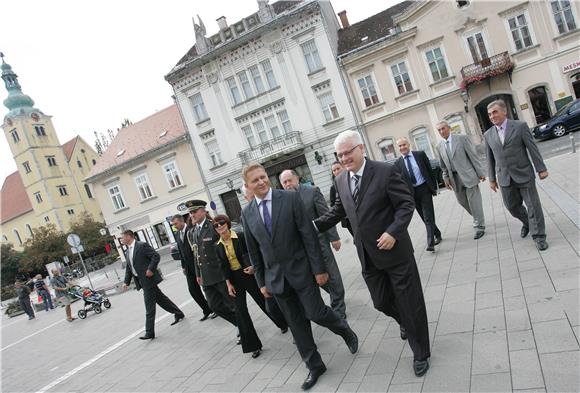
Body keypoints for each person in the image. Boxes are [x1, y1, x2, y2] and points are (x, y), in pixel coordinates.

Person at [314, 130, 431, 377]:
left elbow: (406, 204)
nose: (344, 158)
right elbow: (338, 210)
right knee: (380, 302)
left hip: (396, 252)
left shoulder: (385, 171)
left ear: (361, 148)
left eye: (348, 152)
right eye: (340, 154)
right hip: (367, 256)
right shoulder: (341, 181)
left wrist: (393, 232)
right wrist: (312, 226)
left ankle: (421, 352)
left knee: (411, 303)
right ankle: (404, 322)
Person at [241, 163, 358, 391]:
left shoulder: (289, 199)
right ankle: (315, 366)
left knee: (316, 313)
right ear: (247, 186)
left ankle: (343, 328)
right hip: (276, 279)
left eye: (263, 177)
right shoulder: (247, 213)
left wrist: (319, 269)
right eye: (255, 180)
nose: (262, 182)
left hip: (302, 271)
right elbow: (253, 250)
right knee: (296, 325)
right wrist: (261, 282)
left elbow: (308, 236)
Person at [214, 214, 288, 359]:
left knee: (263, 301)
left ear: (227, 223)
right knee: (240, 312)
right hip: (234, 280)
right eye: (216, 226)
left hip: (248, 275)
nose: (219, 227)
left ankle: (283, 322)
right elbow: (223, 267)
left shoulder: (240, 236)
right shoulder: (218, 246)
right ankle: (253, 346)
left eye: (221, 223)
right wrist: (229, 285)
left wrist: (255, 267)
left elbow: (255, 252)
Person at [279, 169, 347, 319]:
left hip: (319, 240)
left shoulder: (312, 192)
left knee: (332, 274)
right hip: (301, 248)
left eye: (290, 180)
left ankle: (339, 307)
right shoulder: (283, 200)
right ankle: (336, 294)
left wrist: (333, 237)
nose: (288, 184)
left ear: (297, 179)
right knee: (318, 278)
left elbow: (325, 215)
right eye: (284, 182)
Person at [485, 99, 549, 251]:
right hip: (504, 177)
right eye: (489, 114)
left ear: (504, 111)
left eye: (495, 112)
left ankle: (539, 236)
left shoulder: (520, 126)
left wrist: (541, 168)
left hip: (524, 173)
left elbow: (532, 148)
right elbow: (489, 159)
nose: (492, 116)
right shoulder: (488, 134)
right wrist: (492, 179)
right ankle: (528, 223)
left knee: (533, 206)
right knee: (512, 207)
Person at [121, 230, 184, 340]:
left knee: (149, 306)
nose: (122, 239)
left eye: (123, 237)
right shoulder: (127, 252)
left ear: (129, 236)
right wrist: (126, 282)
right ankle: (178, 313)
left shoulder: (141, 245)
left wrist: (151, 269)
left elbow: (155, 256)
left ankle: (149, 332)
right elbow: (129, 268)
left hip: (148, 280)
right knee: (161, 299)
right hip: (141, 281)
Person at [187, 200, 238, 328]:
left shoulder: (213, 226)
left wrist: (227, 275)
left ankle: (242, 329)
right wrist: (198, 273)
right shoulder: (193, 232)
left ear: (204, 211)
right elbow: (196, 253)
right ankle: (239, 324)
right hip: (206, 276)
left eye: (195, 211)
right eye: (190, 213)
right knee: (215, 306)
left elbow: (223, 250)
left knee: (233, 304)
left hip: (219, 273)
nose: (192, 215)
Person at [436, 121, 486, 239]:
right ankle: (478, 217)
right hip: (454, 179)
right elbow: (443, 166)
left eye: (443, 128)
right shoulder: (439, 146)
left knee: (474, 201)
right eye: (439, 130)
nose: (442, 131)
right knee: (462, 201)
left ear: (449, 128)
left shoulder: (462, 139)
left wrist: (480, 172)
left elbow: (473, 156)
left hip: (469, 175)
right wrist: (446, 178)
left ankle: (479, 226)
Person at [395, 137, 442, 252]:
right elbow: (400, 182)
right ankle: (437, 233)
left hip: (424, 188)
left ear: (409, 144)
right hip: (412, 194)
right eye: (400, 146)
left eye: (404, 145)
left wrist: (434, 187)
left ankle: (430, 242)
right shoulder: (398, 163)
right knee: (424, 217)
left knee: (428, 216)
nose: (402, 148)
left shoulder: (419, 155)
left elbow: (429, 170)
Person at [171, 214, 215, 321]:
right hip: (188, 268)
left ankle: (216, 308)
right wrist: (183, 266)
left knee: (208, 287)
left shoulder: (191, 230)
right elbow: (181, 252)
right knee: (193, 290)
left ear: (182, 221)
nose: (175, 226)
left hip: (198, 265)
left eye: (176, 223)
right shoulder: (177, 234)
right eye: (173, 225)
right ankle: (207, 309)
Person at [329, 161, 353, 235]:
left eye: (338, 168)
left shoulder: (351, 179)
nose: (336, 171)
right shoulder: (333, 188)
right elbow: (333, 205)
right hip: (347, 219)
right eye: (334, 170)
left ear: (343, 168)